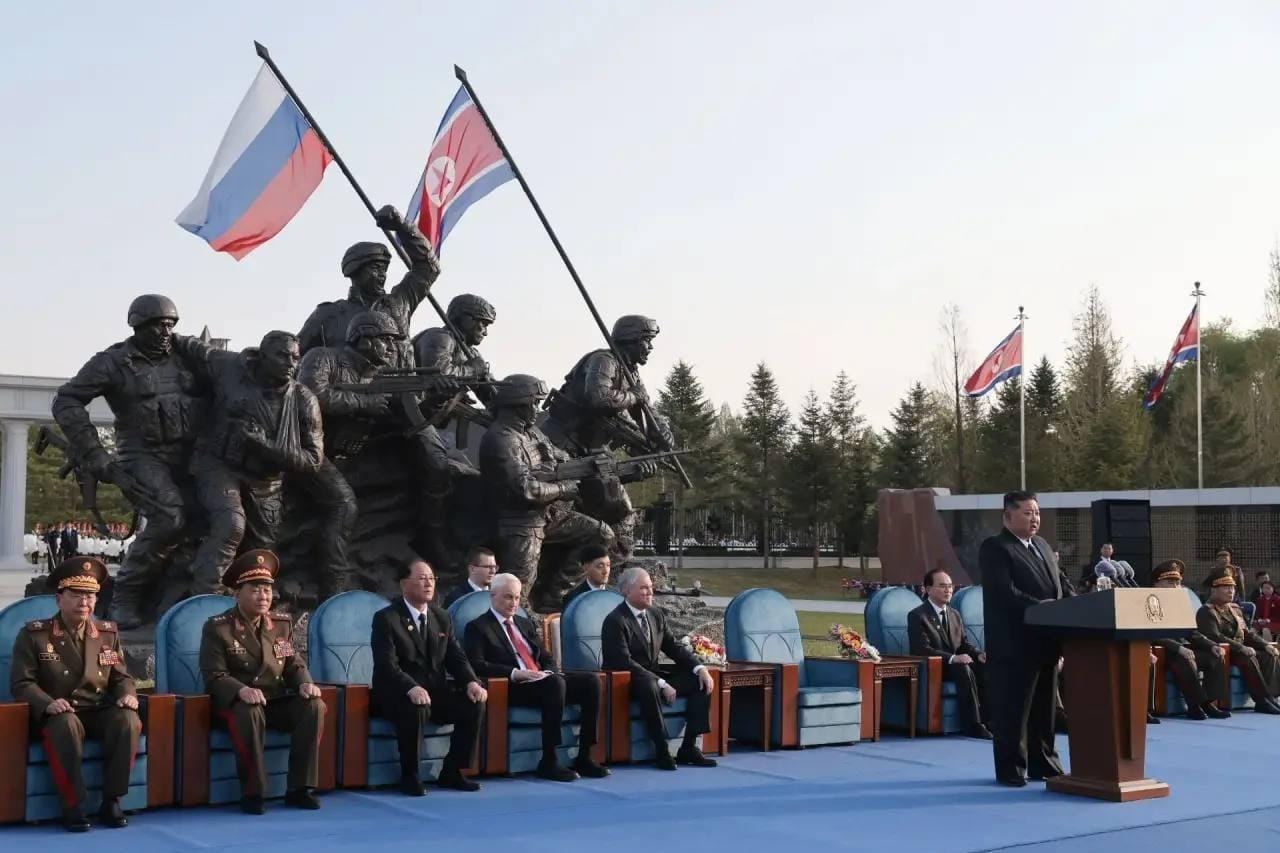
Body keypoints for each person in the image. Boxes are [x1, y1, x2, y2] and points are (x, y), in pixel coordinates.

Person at [52, 295, 203, 630]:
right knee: (169, 517)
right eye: (157, 324)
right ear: (137, 325)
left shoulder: (187, 357)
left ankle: (183, 595)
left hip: (190, 456)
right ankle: (125, 596)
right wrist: (95, 453)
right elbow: (67, 400)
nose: (166, 331)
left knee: (212, 518)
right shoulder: (113, 362)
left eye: (170, 324)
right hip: (142, 455)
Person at [173, 330, 324, 594]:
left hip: (267, 480)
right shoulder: (230, 367)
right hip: (219, 464)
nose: (290, 363)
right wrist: (163, 329)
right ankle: (205, 597)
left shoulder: (304, 399)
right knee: (231, 524)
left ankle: (249, 609)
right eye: (282, 355)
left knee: (261, 550)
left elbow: (313, 460)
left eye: (295, 358)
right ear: (262, 355)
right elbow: (195, 348)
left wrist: (265, 446)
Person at [9, 557, 140, 832]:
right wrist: (48, 703)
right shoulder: (35, 635)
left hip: (95, 709)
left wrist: (128, 694)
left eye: (91, 595)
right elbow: (22, 683)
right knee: (67, 723)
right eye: (77, 594)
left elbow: (121, 677)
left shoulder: (106, 634)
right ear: (59, 599)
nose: (85, 602)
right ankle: (73, 804)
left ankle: (112, 800)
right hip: (56, 713)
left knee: (128, 720)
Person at [198, 549, 325, 814]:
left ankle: (301, 788)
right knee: (250, 710)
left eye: (267, 590)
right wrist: (242, 690)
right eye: (255, 590)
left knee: (313, 706)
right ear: (238, 593)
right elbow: (214, 676)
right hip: (235, 704)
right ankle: (253, 792)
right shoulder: (218, 627)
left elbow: (293, 663)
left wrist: (304, 682)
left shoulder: (279, 625)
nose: (264, 596)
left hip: (274, 700)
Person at [479, 374, 615, 612]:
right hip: (518, 524)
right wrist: (564, 489)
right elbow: (525, 489)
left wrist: (599, 464)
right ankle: (515, 630)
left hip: (547, 515)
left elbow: (562, 460)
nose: (537, 408)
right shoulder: (501, 439)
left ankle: (554, 596)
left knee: (601, 533)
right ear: (518, 405)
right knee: (516, 593)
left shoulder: (531, 433)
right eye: (534, 403)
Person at [541, 315, 670, 559]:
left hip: (592, 454)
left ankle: (613, 569)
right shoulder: (604, 361)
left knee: (618, 511)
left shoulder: (630, 372)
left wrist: (662, 433)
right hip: (562, 449)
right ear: (631, 340)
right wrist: (634, 397)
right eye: (647, 341)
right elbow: (598, 398)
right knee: (577, 514)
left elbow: (647, 412)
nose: (651, 348)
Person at [463, 573, 609, 781]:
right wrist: (515, 673)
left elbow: (546, 656)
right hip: (513, 686)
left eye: (516, 597)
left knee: (591, 681)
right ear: (492, 596)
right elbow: (476, 664)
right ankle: (549, 760)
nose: (513, 603)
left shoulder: (524, 623)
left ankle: (585, 755)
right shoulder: (478, 627)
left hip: (543, 680)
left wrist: (548, 671)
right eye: (507, 597)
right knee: (556, 683)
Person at [979, 490, 1074, 788]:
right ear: (1008, 516)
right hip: (1014, 644)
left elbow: (1060, 583)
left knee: (1045, 709)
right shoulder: (996, 548)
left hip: (1046, 640)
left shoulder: (1043, 546)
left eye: (1037, 513)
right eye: (1028, 513)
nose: (1035, 519)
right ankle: (1011, 768)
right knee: (1014, 710)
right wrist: (1038, 606)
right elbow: (1003, 591)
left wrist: (1077, 602)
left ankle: (1043, 763)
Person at [370, 559, 487, 795]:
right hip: (398, 693)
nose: (429, 583)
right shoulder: (386, 618)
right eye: (422, 578)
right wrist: (410, 687)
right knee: (417, 707)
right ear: (404, 584)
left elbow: (456, 657)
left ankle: (453, 771)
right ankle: (410, 775)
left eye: (432, 578)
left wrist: (471, 681)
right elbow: (386, 665)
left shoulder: (441, 617)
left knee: (473, 702)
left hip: (435, 692)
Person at [601, 567, 716, 770]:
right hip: (628, 680)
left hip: (653, 675)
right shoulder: (615, 620)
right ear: (627, 591)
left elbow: (674, 647)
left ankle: (689, 747)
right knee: (649, 685)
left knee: (698, 681)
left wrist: (699, 668)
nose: (650, 592)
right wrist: (661, 683)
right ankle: (661, 749)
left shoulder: (655, 614)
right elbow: (623, 661)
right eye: (644, 588)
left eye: (651, 588)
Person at [298, 205, 439, 367]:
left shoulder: (400, 302)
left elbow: (429, 268)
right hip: (352, 391)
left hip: (403, 390)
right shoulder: (329, 314)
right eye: (375, 268)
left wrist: (402, 227)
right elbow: (294, 355)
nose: (382, 275)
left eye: (384, 269)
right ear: (355, 270)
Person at [907, 569, 991, 739]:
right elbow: (921, 649)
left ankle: (991, 722)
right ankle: (973, 725)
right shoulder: (917, 615)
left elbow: (963, 644)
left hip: (957, 665)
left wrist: (978, 654)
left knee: (986, 667)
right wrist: (953, 658)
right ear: (927, 589)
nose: (948, 590)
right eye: (942, 586)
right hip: (934, 668)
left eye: (950, 586)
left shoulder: (954, 615)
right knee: (963, 668)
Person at [1149, 560, 1230, 721]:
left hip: (1184, 649)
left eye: (1178, 582)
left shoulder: (1180, 604)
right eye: (1170, 582)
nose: (1175, 586)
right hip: (1164, 650)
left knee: (1214, 655)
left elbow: (1192, 633)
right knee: (1184, 660)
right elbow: (1152, 633)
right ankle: (1196, 706)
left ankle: (1210, 702)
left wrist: (1211, 645)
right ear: (1157, 584)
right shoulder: (1151, 602)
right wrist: (1179, 648)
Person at [1196, 565, 1280, 714]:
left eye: (1232, 587)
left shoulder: (1235, 609)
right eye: (1226, 587)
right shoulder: (1206, 611)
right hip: (1225, 651)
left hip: (1239, 649)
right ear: (1214, 590)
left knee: (1269, 654)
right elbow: (1215, 636)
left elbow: (1246, 633)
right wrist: (1241, 647)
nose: (1231, 591)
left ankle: (1271, 698)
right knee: (1247, 656)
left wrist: (1265, 644)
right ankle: (1262, 700)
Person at [412, 294, 498, 400]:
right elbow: (440, 375)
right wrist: (473, 370)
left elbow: (491, 396)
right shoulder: (440, 337)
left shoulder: (472, 353)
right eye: (484, 324)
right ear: (467, 320)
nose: (485, 333)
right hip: (417, 406)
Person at [561, 544, 612, 610]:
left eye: (608, 565)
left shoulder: (616, 594)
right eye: (600, 566)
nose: (606, 571)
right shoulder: (574, 599)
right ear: (586, 567)